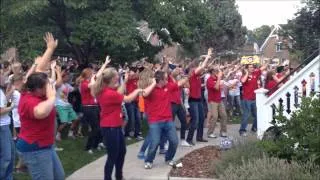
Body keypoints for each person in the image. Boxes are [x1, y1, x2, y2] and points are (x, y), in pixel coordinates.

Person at [91, 66, 143, 180]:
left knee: (121, 151)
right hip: (110, 127)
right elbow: (128, 98)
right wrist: (138, 90)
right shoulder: (109, 93)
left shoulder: (106, 90)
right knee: (113, 155)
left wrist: (124, 81)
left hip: (115, 126)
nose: (118, 77)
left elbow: (119, 92)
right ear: (112, 79)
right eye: (116, 76)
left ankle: (119, 176)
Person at [16, 72, 65, 180]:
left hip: (46, 145)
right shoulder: (28, 101)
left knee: (59, 176)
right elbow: (40, 112)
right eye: (47, 86)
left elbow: (40, 67)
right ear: (38, 89)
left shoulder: (39, 94)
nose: (49, 88)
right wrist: (52, 97)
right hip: (34, 148)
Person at [143, 71, 179, 169]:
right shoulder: (151, 89)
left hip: (168, 119)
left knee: (174, 141)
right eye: (165, 79)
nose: (167, 80)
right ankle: (149, 160)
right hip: (155, 121)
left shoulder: (168, 86)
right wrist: (154, 83)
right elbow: (144, 94)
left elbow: (178, 84)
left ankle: (169, 158)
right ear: (161, 80)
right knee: (155, 142)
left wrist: (191, 74)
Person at [186, 48, 213, 145]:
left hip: (198, 100)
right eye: (199, 68)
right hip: (192, 100)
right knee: (195, 120)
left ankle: (199, 137)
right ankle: (189, 139)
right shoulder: (193, 74)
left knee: (202, 118)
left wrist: (207, 59)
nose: (202, 70)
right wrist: (208, 55)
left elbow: (205, 67)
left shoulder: (197, 76)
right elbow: (203, 67)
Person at [239, 63, 267, 136]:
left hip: (254, 98)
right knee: (246, 115)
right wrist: (247, 73)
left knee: (257, 114)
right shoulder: (244, 76)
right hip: (247, 99)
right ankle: (242, 130)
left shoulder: (255, 73)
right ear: (247, 68)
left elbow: (263, 67)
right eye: (250, 67)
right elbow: (242, 81)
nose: (252, 68)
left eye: (252, 67)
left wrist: (266, 61)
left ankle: (254, 128)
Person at [0, 74, 15, 180]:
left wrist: (11, 92)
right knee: (6, 157)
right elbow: (1, 111)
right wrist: (12, 107)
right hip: (2, 127)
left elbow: (4, 103)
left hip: (5, 125)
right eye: (1, 75)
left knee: (11, 154)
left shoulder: (1, 91)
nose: (4, 77)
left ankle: (8, 177)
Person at [206, 68, 228, 138]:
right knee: (214, 117)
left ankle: (223, 132)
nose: (217, 72)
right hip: (212, 101)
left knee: (224, 115)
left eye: (218, 71)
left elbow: (220, 87)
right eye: (216, 71)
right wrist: (219, 78)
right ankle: (210, 133)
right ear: (212, 72)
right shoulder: (209, 80)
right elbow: (216, 88)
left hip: (219, 100)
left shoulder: (216, 78)